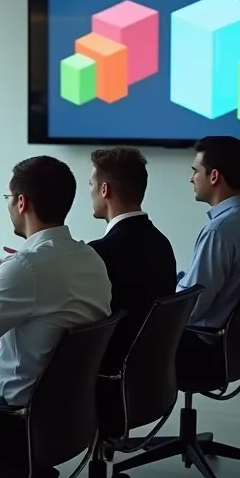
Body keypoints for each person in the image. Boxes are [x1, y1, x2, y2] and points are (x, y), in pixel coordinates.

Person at [0, 156, 112, 406]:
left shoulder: (26, 267)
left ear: (21, 202)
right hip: (67, 410)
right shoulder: (91, 259)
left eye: (9, 198)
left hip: (8, 416)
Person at [177, 136, 240, 366]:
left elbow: (191, 309)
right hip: (237, 349)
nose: (191, 178)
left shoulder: (220, 231)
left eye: (195, 171)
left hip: (203, 349)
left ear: (214, 176)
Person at [87, 147, 177, 366]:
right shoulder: (162, 242)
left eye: (91, 184)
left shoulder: (100, 253)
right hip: (150, 373)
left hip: (108, 372)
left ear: (105, 189)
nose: (89, 191)